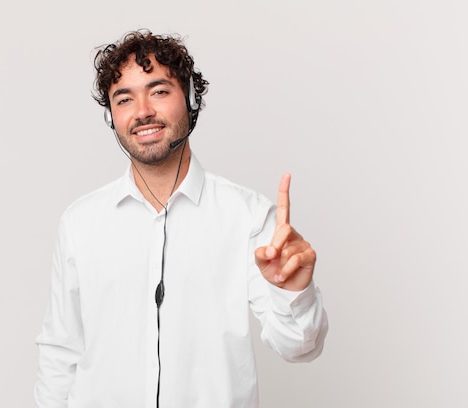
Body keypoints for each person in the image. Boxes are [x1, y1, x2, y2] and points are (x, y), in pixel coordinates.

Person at [35, 29, 328, 408]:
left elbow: (298, 348)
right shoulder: (79, 223)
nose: (142, 111)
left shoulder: (248, 216)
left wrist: (295, 293)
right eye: (124, 99)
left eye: (158, 91)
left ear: (190, 99)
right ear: (112, 116)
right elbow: (60, 354)